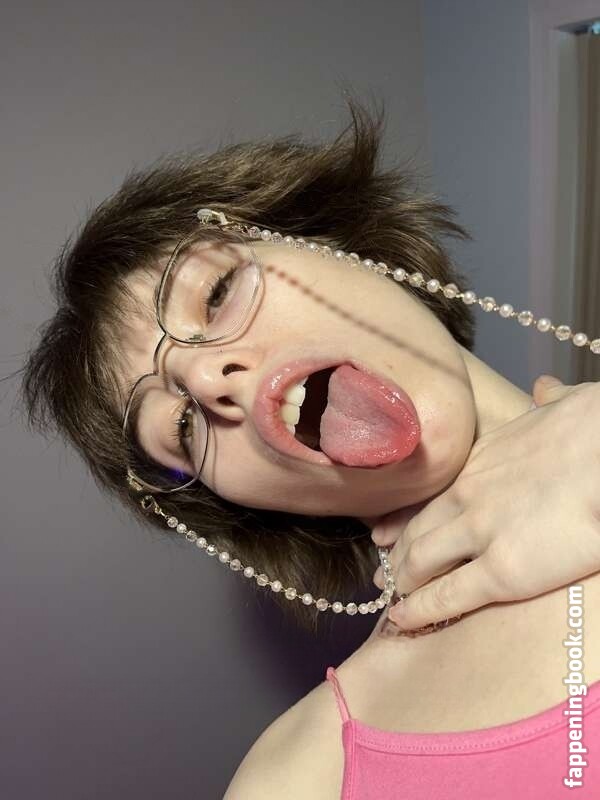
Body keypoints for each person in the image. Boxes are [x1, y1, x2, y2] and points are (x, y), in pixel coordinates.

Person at [20, 98, 600, 797]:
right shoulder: (298, 775)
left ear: (344, 245)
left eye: (217, 291)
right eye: (181, 428)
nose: (207, 378)